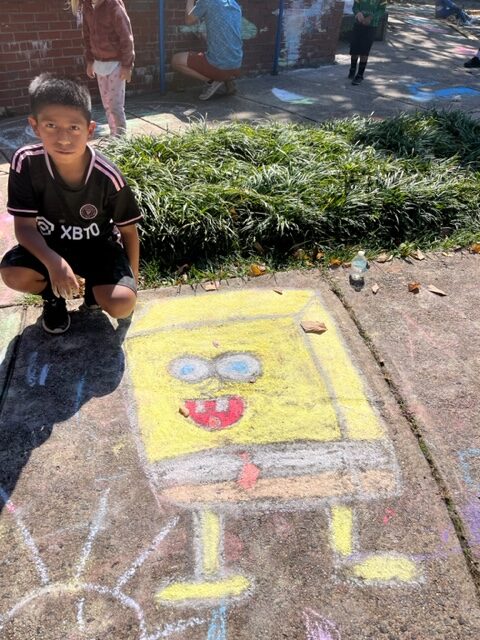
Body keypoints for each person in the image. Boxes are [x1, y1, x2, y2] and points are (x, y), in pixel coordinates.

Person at [0, 74, 142, 335]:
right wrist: (55, 263)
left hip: (98, 248)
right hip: (50, 245)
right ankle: (53, 298)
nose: (63, 138)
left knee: (122, 303)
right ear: (35, 126)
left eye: (74, 127)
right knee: (12, 273)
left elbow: (129, 231)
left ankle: (93, 294)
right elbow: (24, 227)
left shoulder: (107, 176)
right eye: (51, 125)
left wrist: (132, 282)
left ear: (89, 129)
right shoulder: (26, 162)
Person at [70, 0, 135, 136]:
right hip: (99, 64)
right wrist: (89, 61)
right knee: (107, 104)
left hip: (116, 64)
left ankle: (121, 137)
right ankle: (114, 134)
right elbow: (87, 37)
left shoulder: (113, 5)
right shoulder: (87, 7)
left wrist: (127, 65)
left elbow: (126, 37)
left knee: (115, 105)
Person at [172, 0, 243, 101]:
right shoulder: (233, 3)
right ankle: (228, 79)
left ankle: (213, 82)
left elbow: (189, 20)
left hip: (219, 67)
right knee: (218, 56)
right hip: (237, 65)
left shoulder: (207, 1)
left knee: (176, 60)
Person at [348, 0, 387, 86]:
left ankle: (360, 75)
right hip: (358, 25)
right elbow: (355, 6)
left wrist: (371, 17)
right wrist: (358, 13)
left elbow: (381, 10)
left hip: (371, 26)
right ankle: (352, 69)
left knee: (364, 51)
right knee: (354, 50)